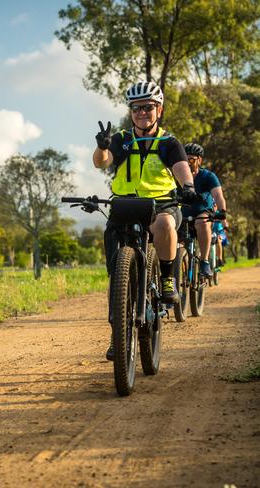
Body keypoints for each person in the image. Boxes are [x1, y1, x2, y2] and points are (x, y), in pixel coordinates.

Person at [92, 80, 198, 360]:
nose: (142, 113)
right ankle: (119, 335)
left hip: (161, 204)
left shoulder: (169, 142)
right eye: (137, 108)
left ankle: (166, 278)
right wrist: (103, 147)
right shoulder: (123, 139)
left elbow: (182, 168)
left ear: (158, 110)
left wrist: (187, 187)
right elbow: (101, 162)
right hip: (125, 205)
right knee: (117, 278)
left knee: (164, 225)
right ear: (131, 112)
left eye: (148, 107)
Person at [181, 143, 228, 277]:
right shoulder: (177, 174)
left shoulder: (208, 176)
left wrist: (222, 211)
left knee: (202, 223)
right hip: (183, 212)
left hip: (203, 211)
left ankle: (204, 261)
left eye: (191, 160)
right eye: (185, 160)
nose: (188, 163)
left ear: (199, 160)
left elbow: (218, 195)